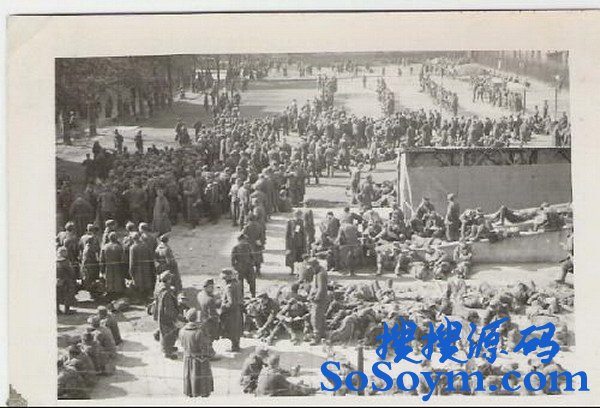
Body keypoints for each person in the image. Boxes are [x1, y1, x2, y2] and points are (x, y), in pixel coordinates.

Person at [179, 308, 215, 398]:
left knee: (190, 375)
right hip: (199, 359)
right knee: (200, 377)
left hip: (188, 358)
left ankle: (190, 392)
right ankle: (203, 393)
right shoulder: (199, 332)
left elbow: (182, 344)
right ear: (196, 318)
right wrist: (211, 353)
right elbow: (204, 347)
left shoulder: (182, 331)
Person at [153, 271, 180, 359]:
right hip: (166, 317)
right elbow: (169, 309)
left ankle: (166, 348)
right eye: (170, 278)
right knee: (168, 334)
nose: (171, 280)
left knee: (163, 332)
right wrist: (175, 317)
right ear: (168, 280)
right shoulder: (167, 293)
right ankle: (167, 352)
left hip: (160, 314)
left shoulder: (159, 288)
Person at [219, 268, 242, 352]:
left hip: (231, 312)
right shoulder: (237, 283)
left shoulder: (229, 287)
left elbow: (231, 302)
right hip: (237, 310)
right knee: (236, 328)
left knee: (231, 329)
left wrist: (223, 307)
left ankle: (235, 347)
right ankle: (236, 345)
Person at [100, 232, 126, 298]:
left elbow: (102, 259)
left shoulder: (105, 247)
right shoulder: (119, 247)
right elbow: (123, 258)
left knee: (109, 278)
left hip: (108, 265)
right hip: (117, 265)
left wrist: (102, 269)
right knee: (117, 278)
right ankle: (118, 291)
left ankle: (110, 291)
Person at [309, 258, 328, 345]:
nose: (311, 270)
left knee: (315, 317)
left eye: (312, 267)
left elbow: (321, 288)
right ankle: (322, 333)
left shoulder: (320, 274)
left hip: (319, 299)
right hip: (321, 298)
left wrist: (316, 298)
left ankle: (316, 337)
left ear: (315, 265)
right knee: (321, 316)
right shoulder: (319, 271)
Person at [231, 233, 256, 298]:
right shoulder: (235, 248)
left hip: (249, 268)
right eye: (243, 240)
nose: (244, 242)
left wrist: (252, 264)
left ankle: (253, 295)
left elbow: (253, 256)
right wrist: (236, 268)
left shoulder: (248, 247)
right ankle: (241, 297)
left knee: (252, 282)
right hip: (240, 269)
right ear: (239, 240)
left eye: (245, 240)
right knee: (240, 284)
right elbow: (233, 260)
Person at [56, 247, 78, 315]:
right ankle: (67, 310)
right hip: (66, 281)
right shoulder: (66, 262)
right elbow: (71, 271)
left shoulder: (55, 261)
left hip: (57, 280)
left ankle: (57, 310)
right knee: (68, 295)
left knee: (57, 296)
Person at [285, 210, 306, 274]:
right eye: (299, 215)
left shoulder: (301, 222)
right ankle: (292, 270)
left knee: (300, 257)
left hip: (299, 242)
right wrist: (287, 244)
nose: (300, 217)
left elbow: (303, 233)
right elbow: (288, 234)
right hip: (292, 243)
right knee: (291, 257)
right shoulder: (290, 222)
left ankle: (299, 271)